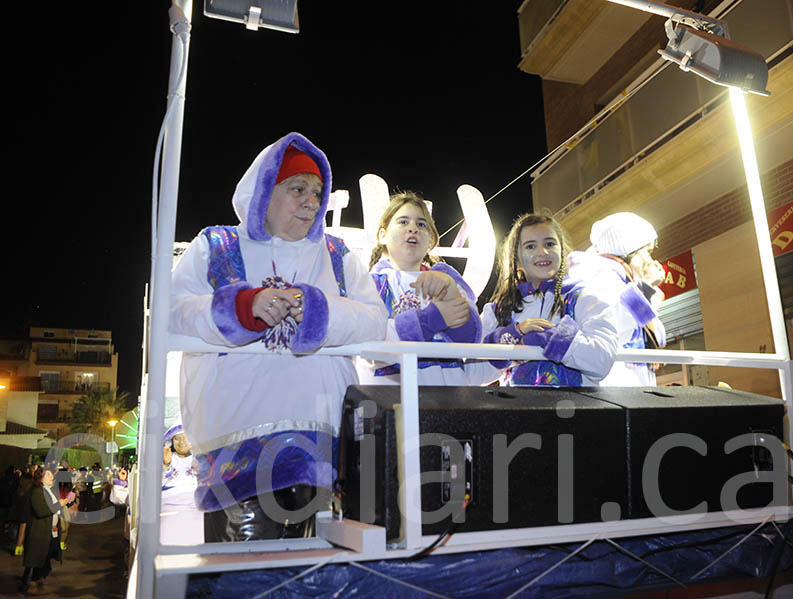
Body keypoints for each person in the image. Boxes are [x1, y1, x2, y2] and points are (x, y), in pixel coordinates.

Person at [170, 132, 388, 542]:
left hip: (322, 443)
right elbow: (172, 313)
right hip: (239, 446)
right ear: (264, 192)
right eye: (298, 189)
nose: (311, 201)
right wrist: (241, 307)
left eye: (317, 192)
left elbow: (377, 322)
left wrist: (320, 312)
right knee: (243, 577)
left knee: (313, 575)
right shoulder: (216, 245)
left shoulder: (339, 255)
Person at [473, 213, 618, 386]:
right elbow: (473, 373)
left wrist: (552, 338)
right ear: (516, 259)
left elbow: (601, 362)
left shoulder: (584, 298)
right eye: (530, 246)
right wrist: (512, 334)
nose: (542, 252)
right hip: (517, 410)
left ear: (561, 251)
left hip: (576, 409)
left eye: (549, 244)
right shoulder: (499, 309)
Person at [358, 191, 481, 384]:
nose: (413, 228)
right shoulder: (370, 284)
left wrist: (452, 297)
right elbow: (368, 341)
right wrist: (432, 318)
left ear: (430, 240)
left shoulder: (449, 281)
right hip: (389, 398)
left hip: (448, 396)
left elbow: (470, 340)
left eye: (421, 224)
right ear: (382, 235)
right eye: (403, 222)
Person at [566, 212, 667, 386]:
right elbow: (616, 330)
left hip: (629, 388)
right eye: (647, 252)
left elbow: (658, 338)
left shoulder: (623, 283)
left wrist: (646, 291)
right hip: (616, 388)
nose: (650, 261)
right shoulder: (604, 279)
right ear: (628, 251)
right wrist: (645, 290)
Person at [20, 467, 62, 595]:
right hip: (40, 531)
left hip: (50, 531)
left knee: (44, 559)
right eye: (48, 475)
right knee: (39, 559)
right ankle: (33, 585)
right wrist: (60, 504)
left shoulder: (49, 490)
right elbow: (41, 510)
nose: (52, 477)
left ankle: (33, 583)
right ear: (41, 478)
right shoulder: (38, 492)